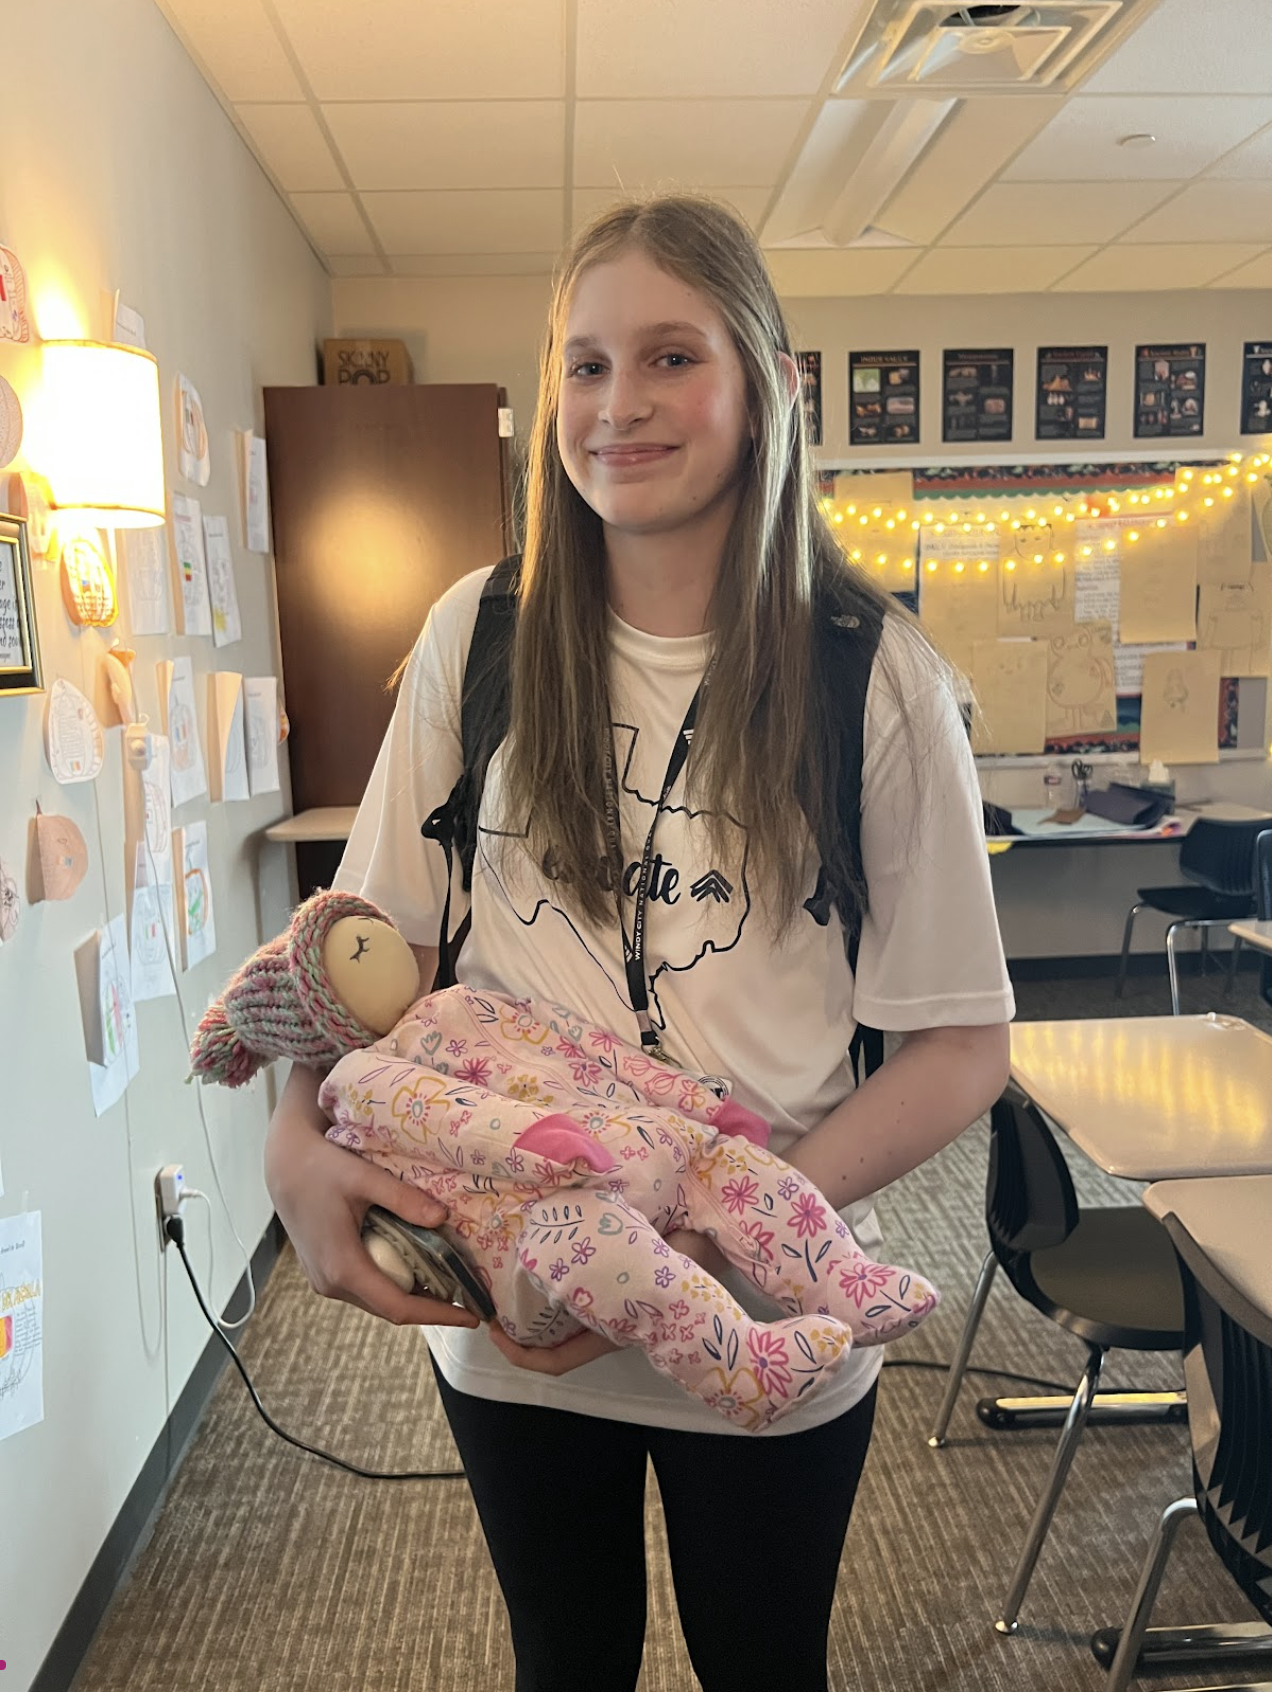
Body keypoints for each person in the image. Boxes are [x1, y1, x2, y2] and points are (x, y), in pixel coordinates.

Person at [264, 193, 1014, 1692]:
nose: (620, 406)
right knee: (566, 1661)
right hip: (520, 1301)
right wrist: (292, 1146)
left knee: (762, 1666)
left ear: (769, 387)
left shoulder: (871, 675)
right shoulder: (478, 636)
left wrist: (708, 1229)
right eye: (586, 366)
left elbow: (958, 1049)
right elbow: (352, 952)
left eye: (672, 356)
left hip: (763, 1310)